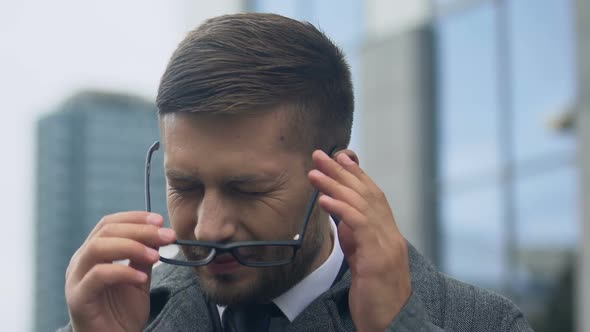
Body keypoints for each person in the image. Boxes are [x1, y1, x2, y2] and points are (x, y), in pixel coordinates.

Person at [60, 13, 533, 332]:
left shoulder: (483, 322)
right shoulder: (116, 317)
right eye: (184, 186)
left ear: (338, 178)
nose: (208, 227)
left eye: (248, 189)